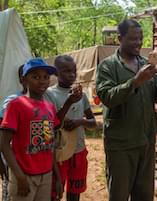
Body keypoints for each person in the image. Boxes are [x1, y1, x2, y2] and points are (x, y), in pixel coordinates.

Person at [96, 19, 157, 201]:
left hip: (145, 142)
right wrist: (135, 82)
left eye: (140, 38)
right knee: (119, 195)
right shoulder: (108, 66)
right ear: (120, 38)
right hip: (120, 145)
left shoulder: (147, 65)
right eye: (132, 39)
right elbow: (107, 97)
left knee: (144, 195)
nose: (138, 43)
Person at [0, 58, 82, 201]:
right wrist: (19, 176)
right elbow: (4, 144)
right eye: (35, 77)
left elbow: (47, 143)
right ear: (23, 80)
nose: (42, 81)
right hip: (24, 175)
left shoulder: (48, 107)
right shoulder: (16, 105)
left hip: (46, 175)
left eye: (46, 77)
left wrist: (56, 176)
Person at [45, 55, 96, 201]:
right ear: (56, 72)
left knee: (75, 193)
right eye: (66, 71)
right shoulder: (49, 94)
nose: (72, 75)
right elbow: (50, 126)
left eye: (74, 71)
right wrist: (68, 102)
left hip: (78, 151)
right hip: (59, 154)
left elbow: (93, 122)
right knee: (55, 193)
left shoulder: (82, 95)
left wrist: (80, 122)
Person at [0, 64, 27, 201]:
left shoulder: (44, 101)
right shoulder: (11, 101)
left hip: (33, 160)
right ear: (22, 79)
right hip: (12, 156)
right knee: (10, 189)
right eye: (34, 75)